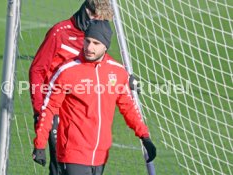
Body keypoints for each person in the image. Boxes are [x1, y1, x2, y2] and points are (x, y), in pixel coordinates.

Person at [32, 20, 156, 175]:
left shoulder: (117, 72)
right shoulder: (66, 71)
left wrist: (144, 136)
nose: (89, 47)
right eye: (87, 41)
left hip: (101, 155)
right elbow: (49, 107)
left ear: (106, 46)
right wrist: (40, 144)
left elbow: (128, 107)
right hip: (73, 154)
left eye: (96, 43)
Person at [29, 1, 113, 174]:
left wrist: (126, 80)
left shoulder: (95, 37)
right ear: (87, 12)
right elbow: (37, 70)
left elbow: (104, 65)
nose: (100, 23)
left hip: (82, 114)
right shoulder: (59, 32)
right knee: (61, 166)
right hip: (56, 110)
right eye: (97, 18)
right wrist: (39, 111)